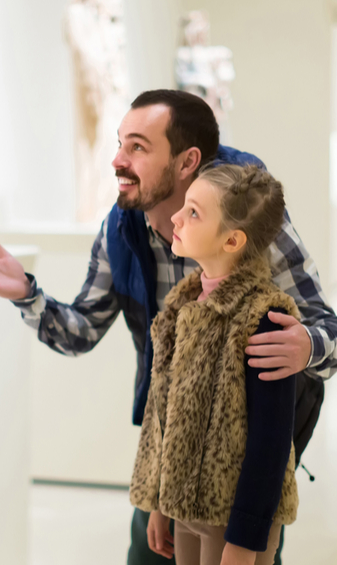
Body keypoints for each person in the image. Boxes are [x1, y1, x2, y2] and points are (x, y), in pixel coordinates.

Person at [0, 89, 337, 565]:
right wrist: (27, 294)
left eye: (138, 147)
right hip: (167, 462)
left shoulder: (248, 220)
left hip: (243, 477)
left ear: (188, 162)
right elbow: (83, 331)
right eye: (120, 143)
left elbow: (335, 333)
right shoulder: (121, 230)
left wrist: (305, 345)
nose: (117, 160)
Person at [131, 165, 298, 565]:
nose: (175, 218)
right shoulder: (181, 307)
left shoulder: (263, 317)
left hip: (234, 517)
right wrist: (158, 502)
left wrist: (244, 541)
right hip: (185, 507)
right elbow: (165, 414)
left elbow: (270, 442)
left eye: (193, 213)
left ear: (232, 240)